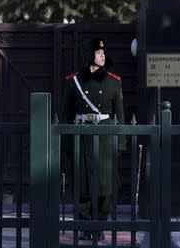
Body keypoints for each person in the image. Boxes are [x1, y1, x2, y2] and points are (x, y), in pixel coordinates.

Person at [62, 38, 126, 241]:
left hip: (105, 136)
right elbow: (65, 116)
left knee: (104, 185)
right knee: (83, 183)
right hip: (82, 135)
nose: (103, 55)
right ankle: (84, 225)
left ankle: (100, 225)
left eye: (104, 52)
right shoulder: (73, 83)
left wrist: (121, 143)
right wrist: (66, 144)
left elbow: (121, 116)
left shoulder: (114, 82)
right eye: (98, 52)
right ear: (89, 56)